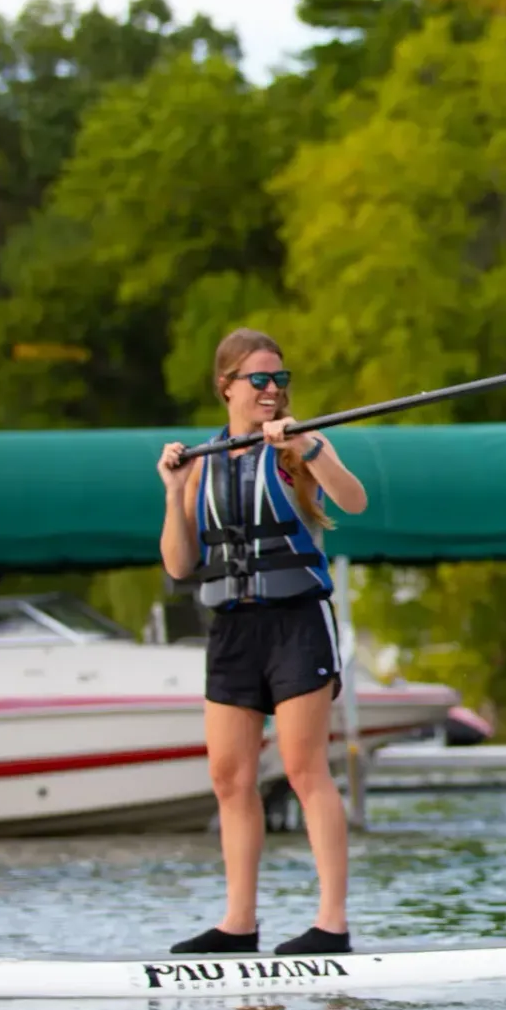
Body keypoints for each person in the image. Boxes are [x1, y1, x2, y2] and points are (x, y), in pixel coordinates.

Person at [156, 328, 369, 955]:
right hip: (234, 631)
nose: (273, 390)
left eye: (280, 379)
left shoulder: (299, 446)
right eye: (260, 380)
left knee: (305, 770)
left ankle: (332, 925)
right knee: (229, 776)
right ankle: (238, 924)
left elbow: (353, 502)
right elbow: (177, 564)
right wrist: (173, 493)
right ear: (227, 386)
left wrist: (310, 446)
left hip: (296, 623)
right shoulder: (202, 462)